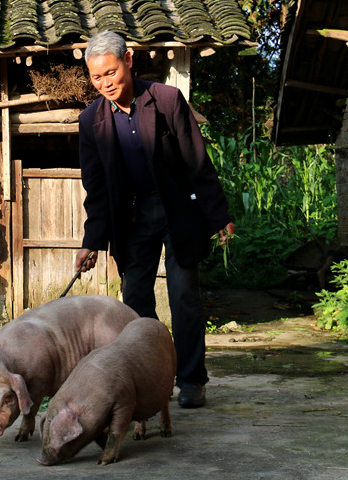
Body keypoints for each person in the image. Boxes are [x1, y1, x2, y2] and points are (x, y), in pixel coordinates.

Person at [75, 31, 235, 408]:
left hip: (177, 210)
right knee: (134, 305)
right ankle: (148, 384)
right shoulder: (91, 122)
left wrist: (219, 215)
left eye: (111, 72)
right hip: (130, 220)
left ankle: (192, 380)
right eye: (97, 78)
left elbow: (197, 161)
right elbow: (95, 189)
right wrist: (91, 241)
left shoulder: (165, 100)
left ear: (128, 60)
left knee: (183, 297)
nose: (106, 83)